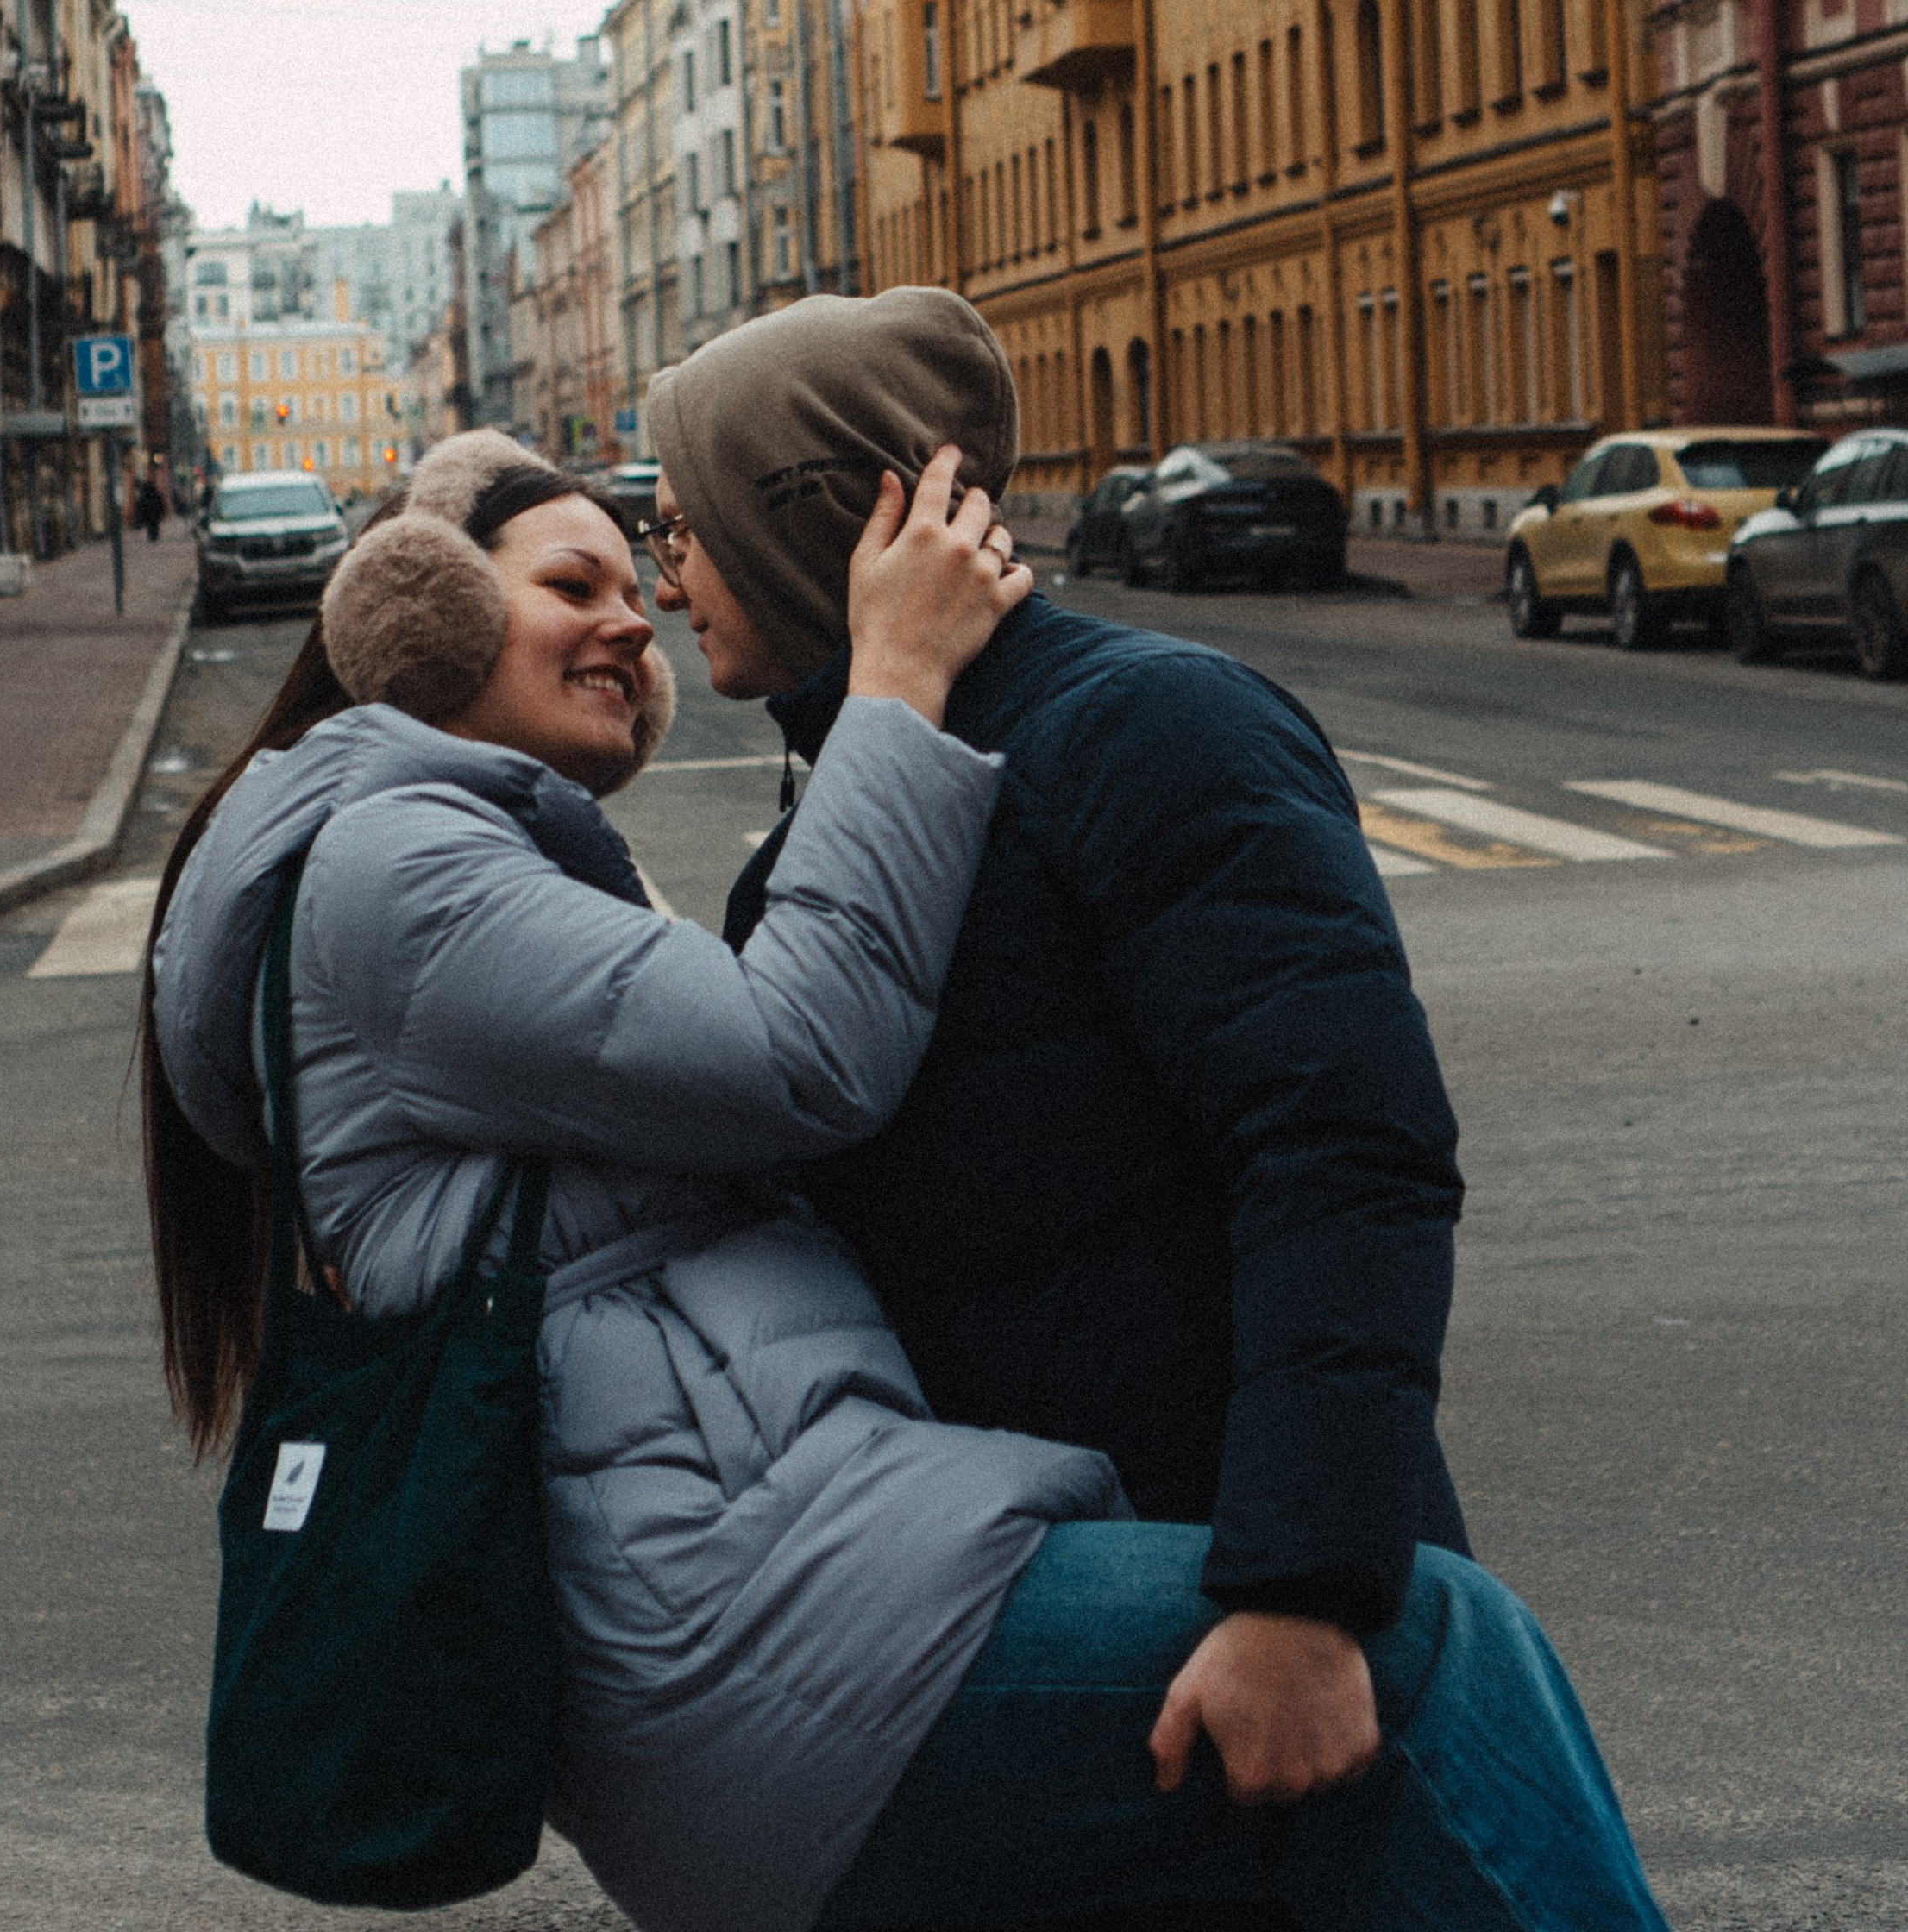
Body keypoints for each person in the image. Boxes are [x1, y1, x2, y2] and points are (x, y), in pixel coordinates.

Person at [139, 422, 1668, 1932]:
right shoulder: (400, 870)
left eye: (645, 572)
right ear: (430, 614)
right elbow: (804, 1050)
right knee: (1437, 1670)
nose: (635, 616)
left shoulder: (468, 865)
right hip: (764, 1638)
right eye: (575, 580)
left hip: (797, 1595)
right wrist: (898, 687)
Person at [642, 286, 1668, 1928]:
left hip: (1247, 1602)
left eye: (682, 523)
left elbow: (1343, 1155)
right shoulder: (840, 828)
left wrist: (1305, 1594)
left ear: (816, 522)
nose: (660, 567)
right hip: (1061, 1590)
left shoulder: (1148, 726)